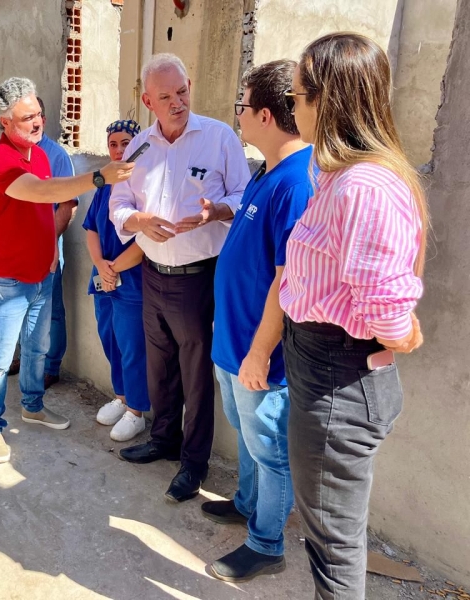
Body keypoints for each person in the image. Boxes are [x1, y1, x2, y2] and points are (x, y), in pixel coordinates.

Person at [280, 33, 427, 599]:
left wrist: (403, 334)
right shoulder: (338, 175)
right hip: (322, 366)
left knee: (333, 546)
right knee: (327, 530)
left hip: (338, 378)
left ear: (328, 100)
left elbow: (387, 308)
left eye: (297, 96)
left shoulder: (364, 185)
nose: (293, 108)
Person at [110, 53, 250, 502]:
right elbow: (118, 204)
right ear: (148, 101)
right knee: (160, 368)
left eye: (183, 92)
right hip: (152, 274)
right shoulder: (139, 147)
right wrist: (137, 220)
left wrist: (218, 211)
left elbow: (245, 196)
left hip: (198, 278)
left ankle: (194, 464)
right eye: (166, 96)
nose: (178, 103)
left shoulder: (219, 137)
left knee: (196, 374)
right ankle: (164, 440)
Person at [0, 76, 134, 464]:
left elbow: (49, 211)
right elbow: (45, 192)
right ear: (5, 122)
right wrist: (99, 177)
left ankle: (32, 406)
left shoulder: (41, 155)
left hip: (42, 273)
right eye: (26, 117)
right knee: (0, 358)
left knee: (37, 348)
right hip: (8, 279)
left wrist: (50, 248)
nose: (37, 122)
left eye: (39, 114)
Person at [204, 60, 312, 583]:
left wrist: (259, 352)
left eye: (242, 107)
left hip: (258, 351)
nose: (238, 117)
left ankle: (267, 544)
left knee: (269, 448)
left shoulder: (297, 182)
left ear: (265, 115)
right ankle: (248, 503)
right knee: (248, 435)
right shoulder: (264, 171)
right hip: (234, 339)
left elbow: (288, 281)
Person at [83, 119, 150, 442]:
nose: (119, 150)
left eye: (126, 143)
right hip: (104, 278)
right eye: (113, 144)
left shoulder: (146, 185)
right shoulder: (105, 185)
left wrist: (114, 269)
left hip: (132, 280)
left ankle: (136, 411)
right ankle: (121, 397)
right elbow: (91, 229)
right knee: (110, 339)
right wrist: (101, 266)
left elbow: (146, 239)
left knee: (132, 347)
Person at [37, 96, 78, 389]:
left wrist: (49, 243)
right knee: (22, 309)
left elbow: (68, 205)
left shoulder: (57, 156)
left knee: (51, 312)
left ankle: (51, 366)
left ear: (43, 118)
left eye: (35, 115)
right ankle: (28, 358)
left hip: (46, 249)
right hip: (16, 251)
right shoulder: (12, 154)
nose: (31, 122)